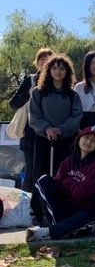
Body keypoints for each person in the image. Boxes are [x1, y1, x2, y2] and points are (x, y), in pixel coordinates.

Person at [26, 128, 95, 241]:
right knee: (44, 180)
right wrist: (74, 184)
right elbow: (57, 184)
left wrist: (67, 182)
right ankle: (43, 221)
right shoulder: (68, 161)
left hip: (81, 210)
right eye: (86, 137)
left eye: (93, 141)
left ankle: (46, 231)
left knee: (89, 218)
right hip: (61, 207)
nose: (88, 142)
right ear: (78, 140)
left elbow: (82, 193)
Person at [29, 54, 83, 183]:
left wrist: (62, 129)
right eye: (54, 68)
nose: (58, 72)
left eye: (62, 69)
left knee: (64, 176)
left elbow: (76, 116)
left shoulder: (72, 95)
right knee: (41, 176)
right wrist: (47, 129)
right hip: (43, 140)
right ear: (48, 70)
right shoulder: (39, 92)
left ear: (67, 72)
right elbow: (34, 116)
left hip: (66, 141)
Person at [9, 48, 53, 192]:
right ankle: (26, 208)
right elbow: (13, 103)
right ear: (37, 63)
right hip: (30, 135)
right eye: (42, 59)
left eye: (49, 58)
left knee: (48, 172)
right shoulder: (30, 79)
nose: (45, 61)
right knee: (31, 173)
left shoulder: (58, 81)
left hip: (51, 135)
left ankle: (44, 208)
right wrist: (29, 94)